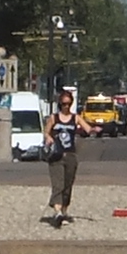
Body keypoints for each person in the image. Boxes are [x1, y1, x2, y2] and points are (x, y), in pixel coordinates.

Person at [46, 86, 83, 221]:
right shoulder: (54, 118)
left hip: (70, 155)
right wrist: (48, 137)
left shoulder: (76, 118)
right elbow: (46, 132)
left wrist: (96, 129)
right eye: (63, 104)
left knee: (68, 184)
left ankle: (64, 209)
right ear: (60, 104)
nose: (65, 107)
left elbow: (87, 128)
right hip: (56, 155)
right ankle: (57, 212)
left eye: (68, 104)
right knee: (58, 184)